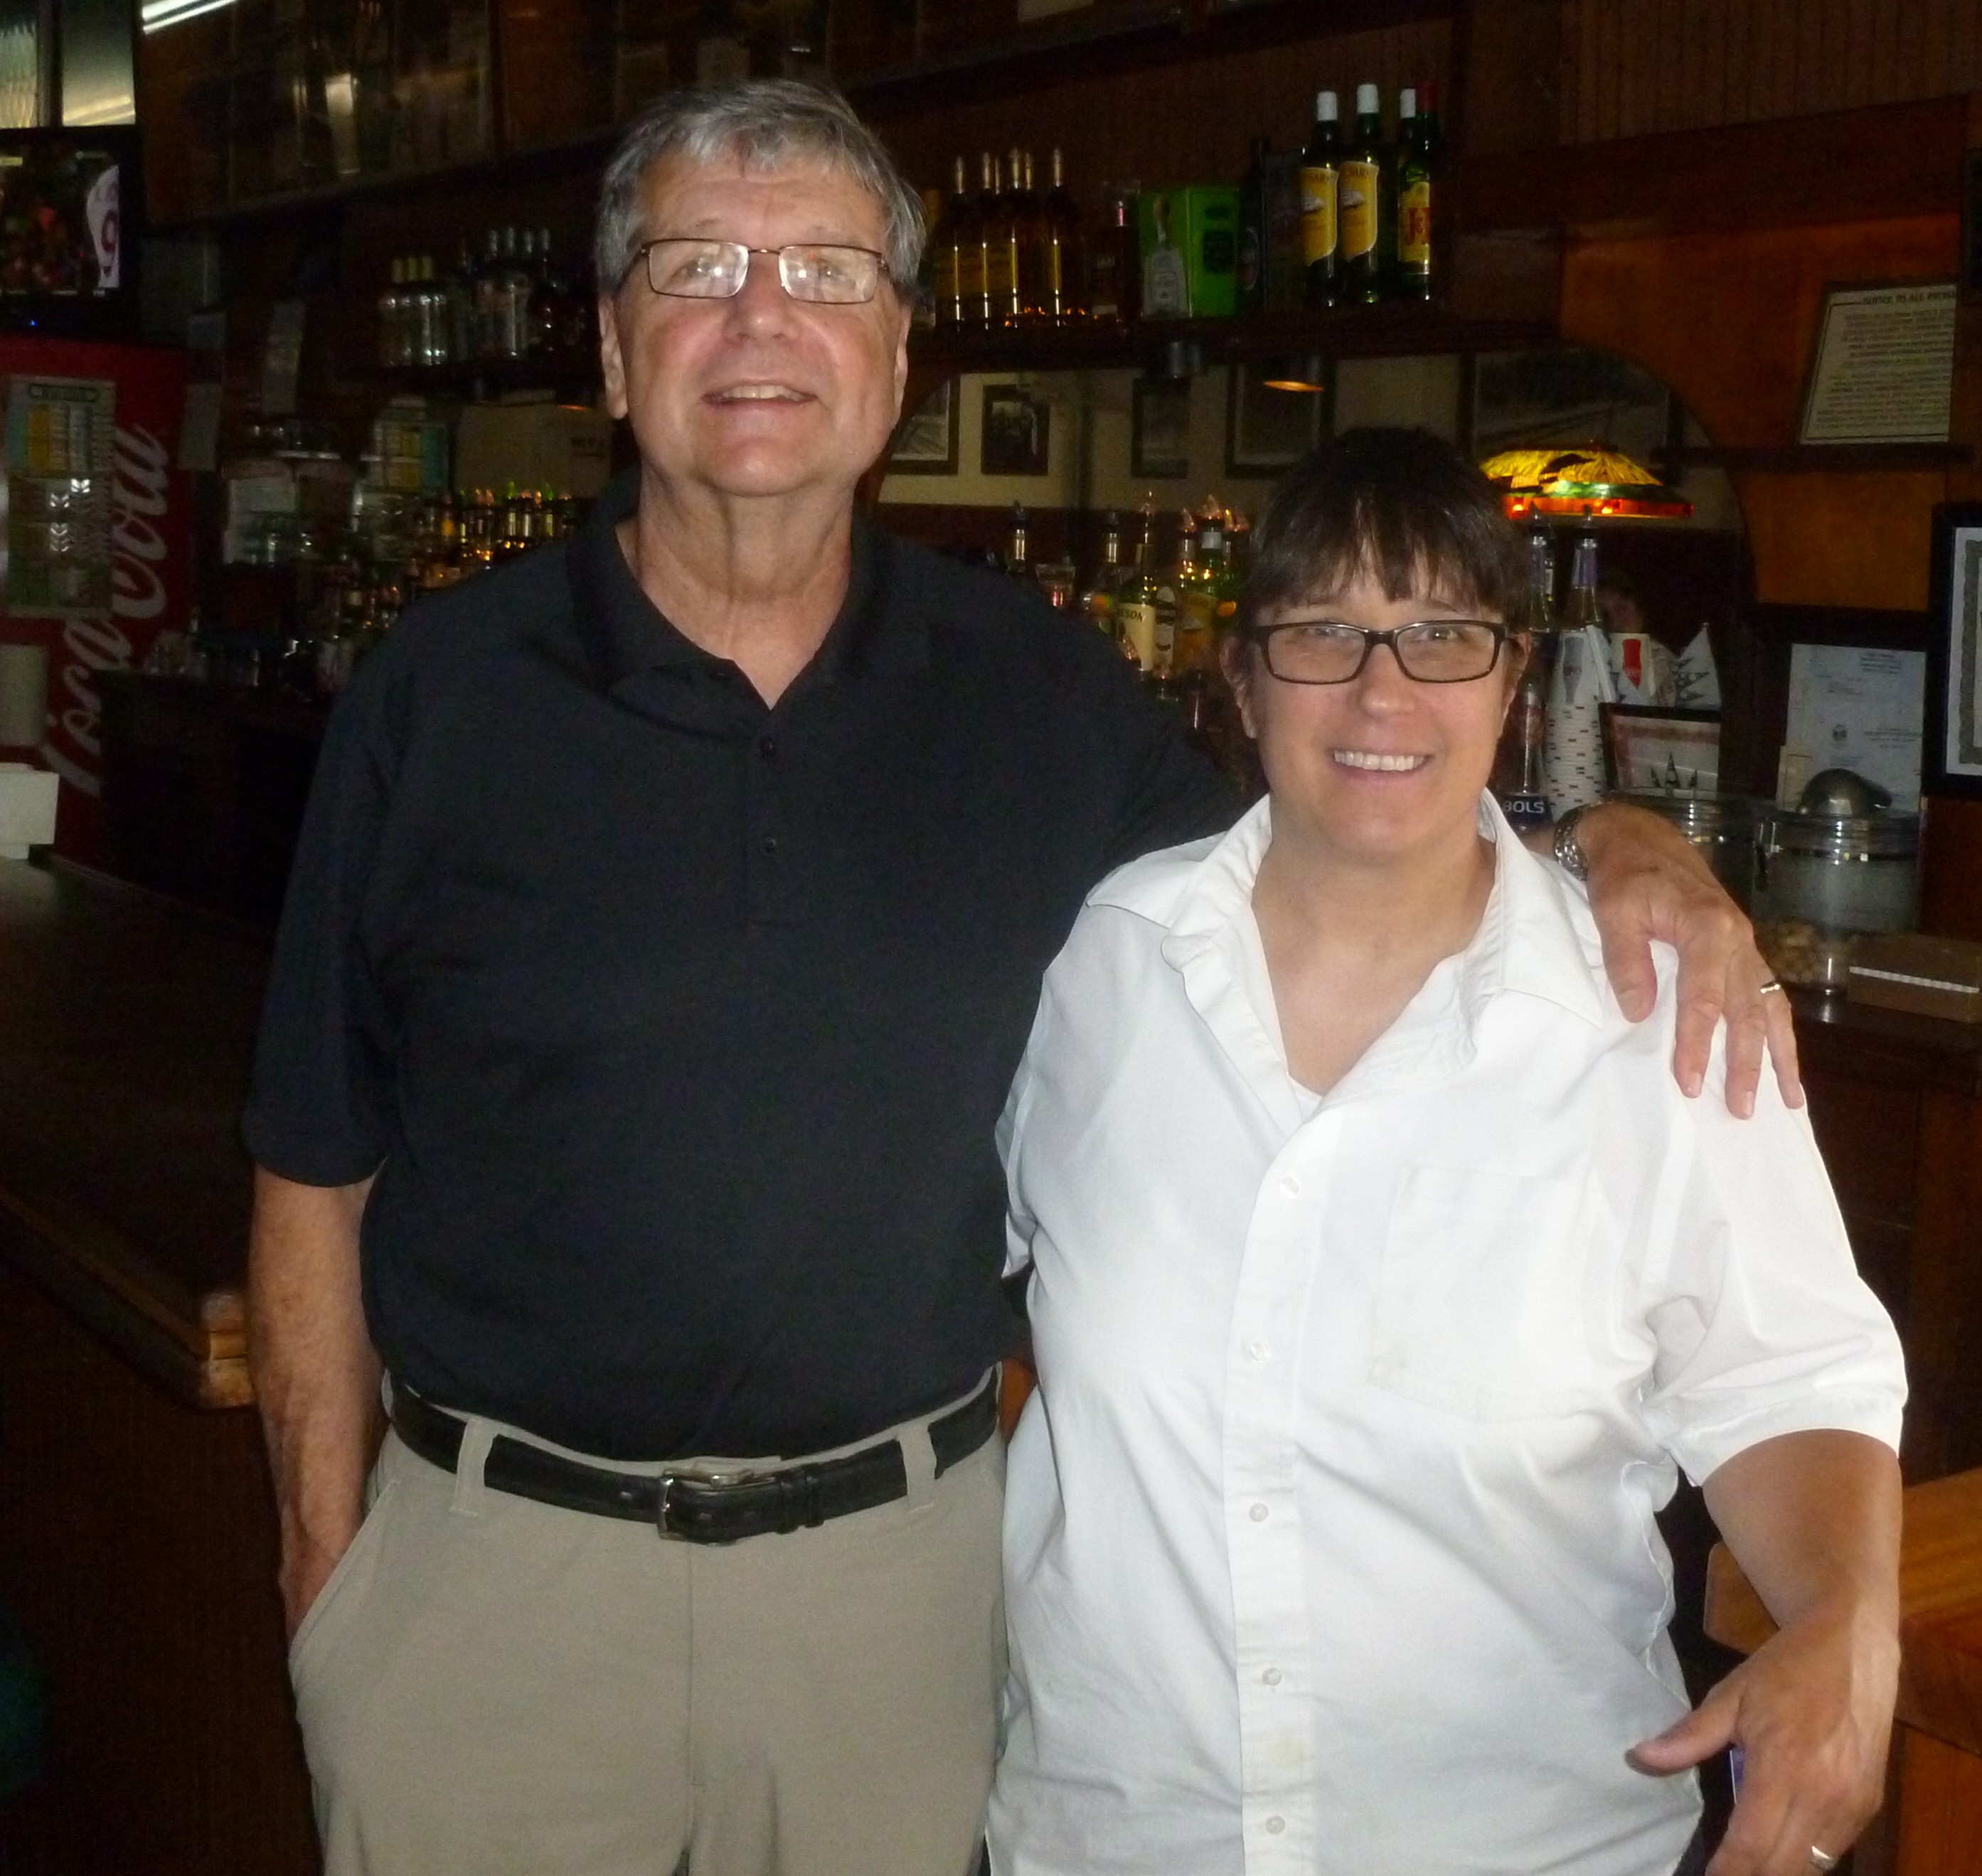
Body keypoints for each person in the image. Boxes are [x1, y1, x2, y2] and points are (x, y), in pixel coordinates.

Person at [245, 83, 1800, 1876]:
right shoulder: (437, 695)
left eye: (824, 271)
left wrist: (1615, 835)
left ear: (898, 355)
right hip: (495, 1591)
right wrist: (323, 1565)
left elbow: (1349, 824)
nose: (760, 318)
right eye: (697, 266)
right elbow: (311, 1159)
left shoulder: (1041, 697)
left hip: (892, 1603)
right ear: (609, 345)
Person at [989, 428, 1905, 1876]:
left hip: (1528, 1840)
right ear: (1239, 680)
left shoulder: (1660, 1018)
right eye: (1322, 632)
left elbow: (1784, 1376)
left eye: (1440, 635)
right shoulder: (1093, 964)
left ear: (1511, 681)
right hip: (1121, 1835)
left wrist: (1846, 1617)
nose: (1382, 690)